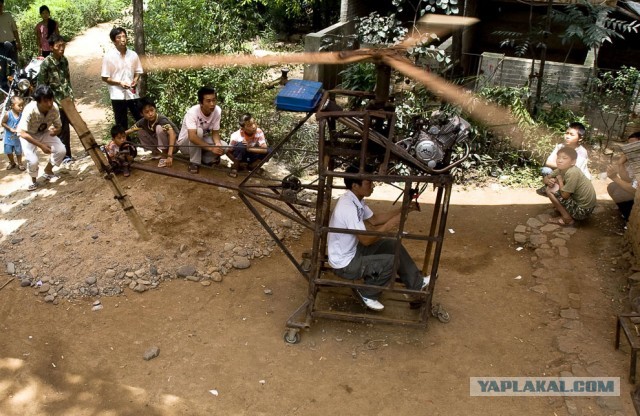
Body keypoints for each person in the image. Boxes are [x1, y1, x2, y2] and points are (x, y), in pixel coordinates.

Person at [327, 166, 430, 311]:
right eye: (369, 183)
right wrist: (392, 224)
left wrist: (403, 209)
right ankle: (368, 293)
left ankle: (416, 284)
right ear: (355, 186)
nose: (373, 186)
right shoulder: (348, 207)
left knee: (393, 245)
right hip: (345, 264)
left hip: (352, 251)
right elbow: (366, 240)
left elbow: (375, 220)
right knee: (392, 261)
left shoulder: (356, 200)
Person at [17, 85, 64, 191]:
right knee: (33, 160)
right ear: (38, 101)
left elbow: (58, 127)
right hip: (28, 135)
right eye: (45, 101)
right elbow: (22, 133)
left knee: (61, 150)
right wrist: (41, 146)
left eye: (51, 100)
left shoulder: (54, 107)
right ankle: (33, 181)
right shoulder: (30, 109)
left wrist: (56, 131)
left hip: (44, 132)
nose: (49, 104)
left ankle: (48, 171)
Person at [37, 33, 73, 163]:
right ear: (51, 47)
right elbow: (41, 86)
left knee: (71, 126)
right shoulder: (46, 64)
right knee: (61, 128)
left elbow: (67, 80)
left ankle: (70, 154)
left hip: (67, 100)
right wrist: (48, 103)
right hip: (55, 102)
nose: (62, 48)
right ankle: (64, 156)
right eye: (59, 46)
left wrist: (71, 96)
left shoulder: (64, 60)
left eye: (63, 45)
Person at [176, 86, 227, 174]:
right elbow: (192, 137)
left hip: (201, 143)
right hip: (186, 145)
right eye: (208, 101)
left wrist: (217, 144)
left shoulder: (217, 111)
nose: (212, 104)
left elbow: (215, 133)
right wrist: (211, 148)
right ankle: (194, 163)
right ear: (201, 103)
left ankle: (206, 160)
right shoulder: (192, 112)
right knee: (198, 132)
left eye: (214, 100)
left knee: (225, 146)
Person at [542, 146, 596, 226]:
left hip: (582, 211)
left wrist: (559, 180)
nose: (560, 161)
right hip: (582, 206)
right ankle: (565, 211)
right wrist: (548, 181)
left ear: (573, 162)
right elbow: (545, 178)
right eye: (558, 157)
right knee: (549, 186)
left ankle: (567, 218)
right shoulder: (561, 169)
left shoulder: (572, 172)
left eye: (564, 158)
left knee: (550, 189)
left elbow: (565, 196)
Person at [100, 27, 142, 129]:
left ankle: (146, 142)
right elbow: (105, 77)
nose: (123, 39)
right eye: (119, 37)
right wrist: (120, 83)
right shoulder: (109, 56)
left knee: (140, 119)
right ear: (114, 41)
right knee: (121, 122)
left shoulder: (133, 55)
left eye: (124, 36)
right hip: (117, 94)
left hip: (132, 93)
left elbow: (138, 71)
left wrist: (135, 80)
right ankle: (125, 144)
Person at [537, 122, 591, 196]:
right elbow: (548, 162)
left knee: (567, 176)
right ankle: (554, 188)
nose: (567, 136)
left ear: (580, 138)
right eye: (567, 133)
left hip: (577, 179)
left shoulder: (582, 152)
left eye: (572, 135)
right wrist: (563, 166)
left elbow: (575, 170)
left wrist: (561, 167)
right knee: (546, 170)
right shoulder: (560, 147)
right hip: (562, 172)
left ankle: (560, 191)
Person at [125, 97, 178, 168]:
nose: (150, 114)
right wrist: (114, 140)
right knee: (140, 132)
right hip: (165, 144)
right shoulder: (143, 122)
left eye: (152, 110)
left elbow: (172, 134)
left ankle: (164, 154)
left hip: (174, 145)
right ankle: (156, 153)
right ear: (141, 114)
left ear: (155, 109)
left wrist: (169, 155)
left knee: (159, 128)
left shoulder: (162, 120)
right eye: (147, 112)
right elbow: (128, 131)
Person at [606, 131, 640, 221]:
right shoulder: (634, 160)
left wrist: (614, 178)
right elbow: (626, 179)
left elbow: (634, 190)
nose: (629, 149)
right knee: (613, 186)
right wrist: (620, 163)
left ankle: (629, 219)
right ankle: (625, 211)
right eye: (629, 145)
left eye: (633, 145)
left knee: (620, 193)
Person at [228, 113, 270, 177]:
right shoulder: (236, 136)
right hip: (240, 157)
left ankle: (253, 166)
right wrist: (237, 161)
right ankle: (235, 167)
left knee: (270, 150)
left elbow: (265, 149)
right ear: (243, 128)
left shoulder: (259, 132)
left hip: (252, 155)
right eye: (249, 125)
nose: (254, 126)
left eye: (254, 123)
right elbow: (228, 151)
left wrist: (249, 148)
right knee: (241, 145)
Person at [0, 0, 21, 90]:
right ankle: (4, 86)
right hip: (0, 46)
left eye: (0, 6)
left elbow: (15, 30)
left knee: (14, 64)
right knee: (2, 66)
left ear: (3, 5)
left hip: (12, 43)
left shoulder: (8, 15)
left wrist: (18, 43)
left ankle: (16, 84)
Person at [2, 95, 25, 170]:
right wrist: (9, 128)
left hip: (17, 138)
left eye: (22, 105)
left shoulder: (22, 115)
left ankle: (20, 163)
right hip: (8, 138)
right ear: (12, 106)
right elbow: (3, 123)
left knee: (18, 152)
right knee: (9, 152)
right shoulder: (8, 114)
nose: (21, 107)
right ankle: (12, 162)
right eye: (19, 105)